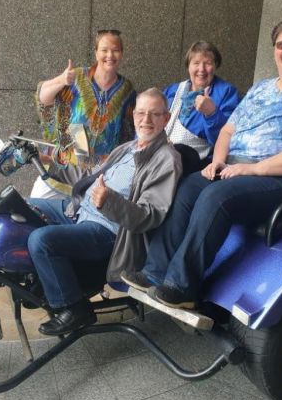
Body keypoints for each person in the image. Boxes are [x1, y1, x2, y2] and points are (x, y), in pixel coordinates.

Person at [121, 16, 282, 309]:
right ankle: (154, 271)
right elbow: (227, 130)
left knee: (217, 196)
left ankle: (182, 286)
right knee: (189, 186)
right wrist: (217, 161)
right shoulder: (261, 89)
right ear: (274, 49)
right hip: (239, 169)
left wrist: (252, 169)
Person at [27, 88, 182, 335]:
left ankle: (74, 307)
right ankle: (37, 280)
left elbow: (150, 215)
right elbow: (87, 175)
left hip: (107, 232)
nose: (146, 120)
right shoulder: (127, 148)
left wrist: (109, 201)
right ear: (133, 116)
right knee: (22, 205)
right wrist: (48, 164)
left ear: (167, 118)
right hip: (76, 211)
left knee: (41, 241)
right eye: (141, 113)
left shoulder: (167, 159)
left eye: (155, 114)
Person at [32, 29, 136, 199]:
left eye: (115, 50)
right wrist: (61, 80)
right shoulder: (77, 77)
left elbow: (129, 134)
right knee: (36, 211)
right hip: (61, 169)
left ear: (122, 54)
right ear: (96, 53)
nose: (110, 55)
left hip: (95, 179)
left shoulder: (127, 91)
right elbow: (44, 98)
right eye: (104, 50)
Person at [163, 41, 240, 172]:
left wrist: (212, 113)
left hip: (197, 161)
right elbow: (149, 118)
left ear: (215, 66)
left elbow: (227, 140)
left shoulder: (227, 93)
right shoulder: (173, 90)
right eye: (196, 63)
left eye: (208, 63)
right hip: (162, 154)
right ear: (188, 66)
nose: (201, 69)